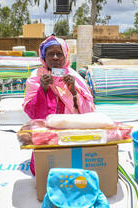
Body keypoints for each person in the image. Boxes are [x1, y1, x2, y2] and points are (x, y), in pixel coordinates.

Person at [23, 35, 95, 175]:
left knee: (74, 167)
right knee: (43, 170)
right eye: (51, 54)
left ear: (65, 56)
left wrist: (73, 91)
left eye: (59, 54)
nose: (55, 57)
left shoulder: (75, 78)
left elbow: (89, 111)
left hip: (71, 133)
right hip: (46, 134)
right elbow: (31, 113)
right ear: (44, 57)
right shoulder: (35, 78)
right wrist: (42, 89)